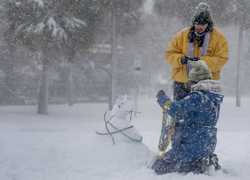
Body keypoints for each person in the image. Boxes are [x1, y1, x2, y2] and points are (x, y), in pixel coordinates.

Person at [152, 60, 223, 174]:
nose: (188, 84)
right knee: (190, 161)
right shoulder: (213, 98)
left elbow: (175, 110)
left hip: (190, 145)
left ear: (195, 80)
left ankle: (195, 165)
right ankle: (204, 161)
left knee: (158, 166)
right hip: (206, 144)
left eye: (190, 81)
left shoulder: (197, 97)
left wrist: (162, 99)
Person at [165, 2, 228, 100]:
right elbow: (169, 54)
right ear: (193, 22)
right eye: (197, 23)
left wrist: (201, 62)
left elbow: (222, 58)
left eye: (203, 24)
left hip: (207, 84)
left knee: (204, 115)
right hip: (182, 83)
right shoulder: (182, 35)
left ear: (208, 24)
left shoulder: (219, 38)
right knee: (180, 114)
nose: (199, 27)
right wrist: (181, 59)